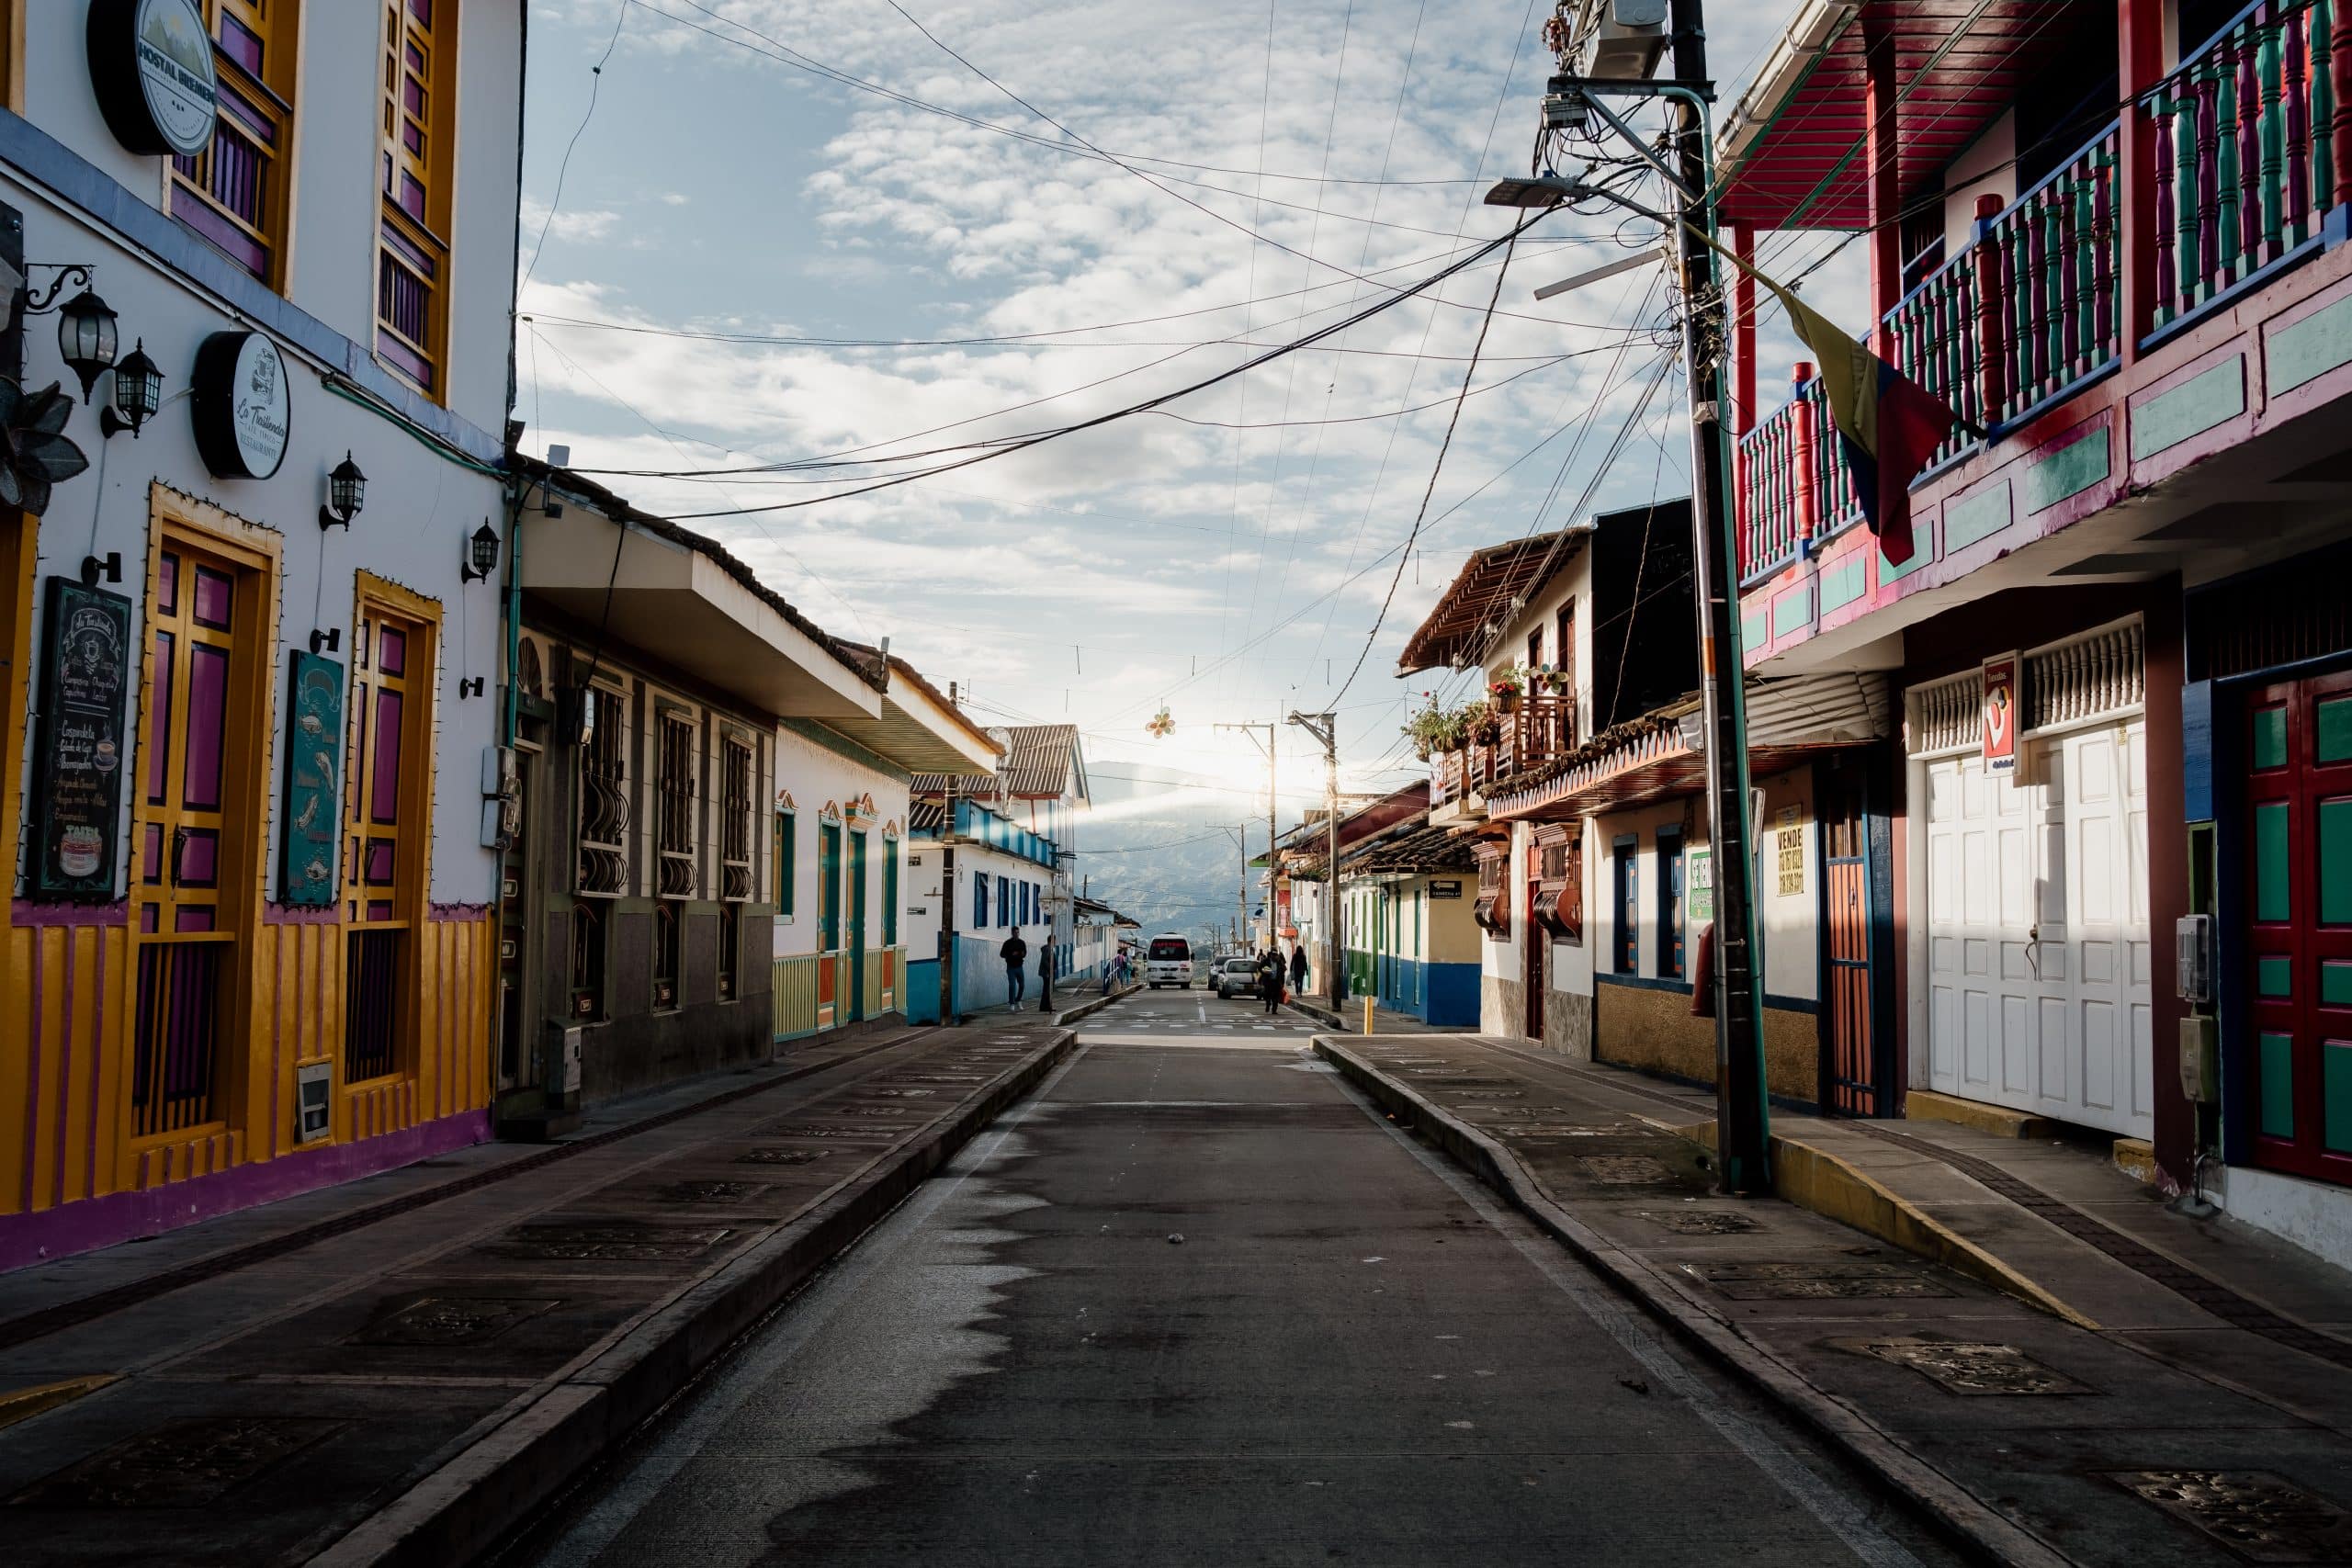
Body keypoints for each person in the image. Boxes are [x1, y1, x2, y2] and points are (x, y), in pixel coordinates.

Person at [1001, 927, 1028, 1006]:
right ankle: (1011, 1003)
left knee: (1022, 985)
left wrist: (1022, 954)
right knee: (1012, 985)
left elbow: (1025, 953)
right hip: (1011, 967)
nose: (1017, 934)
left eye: (1018, 932)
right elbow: (1002, 954)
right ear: (1012, 933)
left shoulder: (1022, 943)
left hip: (1019, 967)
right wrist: (1011, 954)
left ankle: (1018, 999)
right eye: (1015, 933)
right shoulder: (1007, 943)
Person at [1258, 946, 1283, 1015]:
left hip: (1276, 981)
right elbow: (1260, 968)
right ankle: (1268, 1004)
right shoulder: (1266, 961)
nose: (1274, 957)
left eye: (1276, 955)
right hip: (1268, 981)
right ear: (1271, 955)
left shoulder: (1279, 962)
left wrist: (1282, 983)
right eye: (1273, 955)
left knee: (1276, 996)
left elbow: (1282, 972)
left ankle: (1274, 1010)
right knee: (1267, 995)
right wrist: (1265, 972)